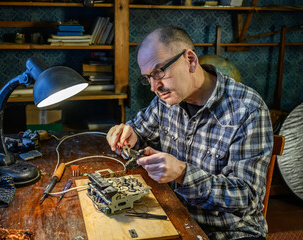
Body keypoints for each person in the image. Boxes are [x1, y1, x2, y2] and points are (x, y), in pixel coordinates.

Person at [106, 25, 273, 240]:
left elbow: (248, 197)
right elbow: (139, 129)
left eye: (158, 72)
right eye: (148, 78)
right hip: (176, 217)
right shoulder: (165, 100)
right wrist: (128, 134)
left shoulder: (247, 109)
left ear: (191, 61)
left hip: (230, 232)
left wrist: (183, 174)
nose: (154, 87)